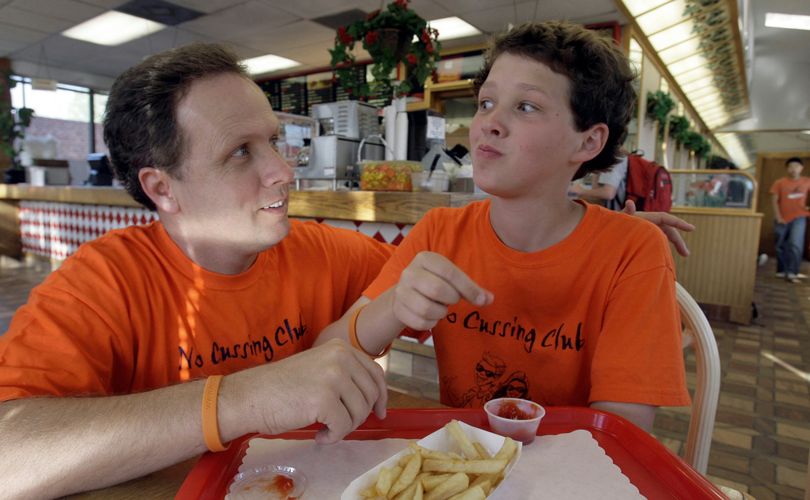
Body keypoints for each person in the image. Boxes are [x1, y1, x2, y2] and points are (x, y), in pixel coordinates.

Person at [0, 44, 392, 498]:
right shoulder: (101, 284)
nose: (283, 171)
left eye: (273, 141)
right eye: (241, 152)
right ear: (162, 188)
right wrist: (242, 399)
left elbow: (423, 270)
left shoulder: (320, 251)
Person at [319, 21, 690, 432]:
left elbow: (621, 432)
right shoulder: (441, 231)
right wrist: (394, 305)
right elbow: (326, 356)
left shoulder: (632, 251)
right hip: (464, 464)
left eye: (525, 106)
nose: (489, 124)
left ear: (587, 142)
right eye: (486, 103)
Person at [770, 157, 810, 283]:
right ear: (787, 169)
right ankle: (781, 270)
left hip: (799, 217)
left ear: (801, 168)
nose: (794, 169)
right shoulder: (779, 182)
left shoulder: (807, 181)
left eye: (796, 166)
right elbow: (774, 201)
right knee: (780, 245)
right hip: (781, 218)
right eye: (791, 167)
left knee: (795, 244)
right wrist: (778, 217)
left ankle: (793, 272)